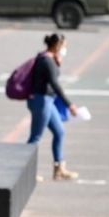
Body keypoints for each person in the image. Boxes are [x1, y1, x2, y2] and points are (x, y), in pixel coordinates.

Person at [27, 34, 80, 181]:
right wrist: (69, 105)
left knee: (60, 132)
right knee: (35, 137)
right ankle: (26, 172)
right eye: (64, 46)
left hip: (47, 101)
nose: (65, 50)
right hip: (41, 101)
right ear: (57, 45)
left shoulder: (50, 59)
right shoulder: (46, 60)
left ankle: (59, 169)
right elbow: (55, 84)